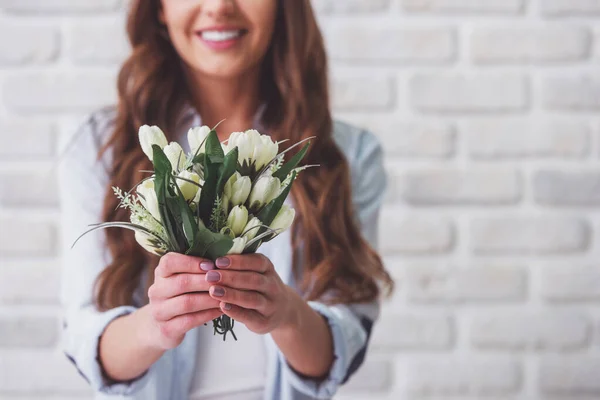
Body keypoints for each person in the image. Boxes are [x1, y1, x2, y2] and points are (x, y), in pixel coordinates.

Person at [58, 0, 394, 399]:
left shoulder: (348, 155)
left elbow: (341, 348)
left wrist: (285, 313)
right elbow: (88, 341)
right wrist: (158, 324)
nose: (218, 7)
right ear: (159, 8)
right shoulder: (101, 148)